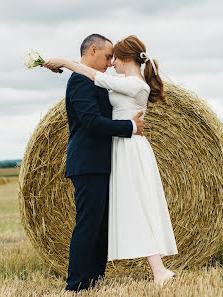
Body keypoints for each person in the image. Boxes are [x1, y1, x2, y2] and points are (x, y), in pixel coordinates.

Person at [43, 34, 179, 289]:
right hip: (88, 162)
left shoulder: (112, 82)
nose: (109, 62)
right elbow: (91, 122)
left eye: (113, 58)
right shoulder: (82, 82)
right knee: (88, 224)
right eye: (107, 56)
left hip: (109, 159)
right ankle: (76, 285)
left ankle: (93, 279)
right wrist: (129, 126)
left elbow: (105, 87)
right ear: (93, 50)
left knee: (99, 225)